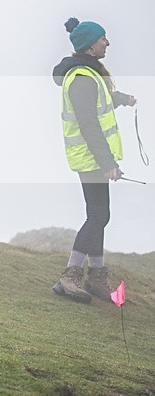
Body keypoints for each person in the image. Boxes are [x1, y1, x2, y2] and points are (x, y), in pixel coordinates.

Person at [51, 17, 136, 304]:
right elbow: (88, 124)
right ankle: (70, 275)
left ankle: (96, 277)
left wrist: (122, 99)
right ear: (89, 46)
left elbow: (99, 103)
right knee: (98, 215)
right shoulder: (83, 78)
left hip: (92, 158)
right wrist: (107, 162)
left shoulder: (88, 75)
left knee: (100, 214)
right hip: (91, 158)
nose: (107, 43)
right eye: (103, 38)